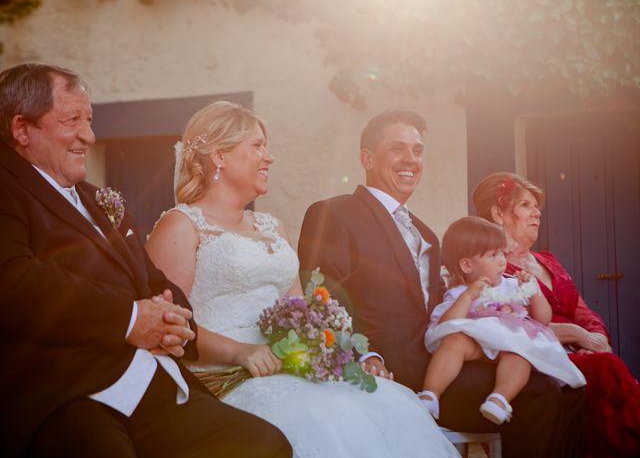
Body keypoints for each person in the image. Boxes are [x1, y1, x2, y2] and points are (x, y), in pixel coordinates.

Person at [0, 63, 291, 458]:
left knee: (264, 445)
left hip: (147, 381)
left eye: (90, 120)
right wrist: (132, 320)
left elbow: (152, 279)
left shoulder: (96, 198)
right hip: (65, 394)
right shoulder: (8, 187)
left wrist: (173, 322)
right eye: (72, 120)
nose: (89, 135)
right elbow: (14, 280)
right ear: (21, 129)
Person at [146, 101, 459, 458]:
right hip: (224, 380)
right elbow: (168, 327)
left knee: (383, 410)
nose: (269, 157)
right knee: (324, 421)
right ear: (219, 156)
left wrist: (331, 351)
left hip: (287, 370)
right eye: (257, 146)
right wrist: (241, 351)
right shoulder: (181, 226)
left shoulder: (271, 227)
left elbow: (299, 310)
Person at [297, 109, 587, 458]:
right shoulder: (335, 213)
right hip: (392, 371)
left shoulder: (426, 234)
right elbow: (321, 298)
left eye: (417, 151)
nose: (411, 160)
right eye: (397, 149)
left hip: (443, 358)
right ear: (367, 158)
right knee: (540, 393)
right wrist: (365, 356)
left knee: (571, 385)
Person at [473, 171, 640, 458]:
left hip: (581, 354)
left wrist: (595, 337)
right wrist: (577, 335)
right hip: (538, 359)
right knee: (607, 369)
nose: (536, 212)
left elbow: (581, 310)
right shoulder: (492, 268)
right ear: (498, 213)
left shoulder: (546, 259)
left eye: (536, 206)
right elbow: (512, 327)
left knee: (604, 364)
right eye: (526, 205)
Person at [420, 216, 586, 424]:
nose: (502, 261)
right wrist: (469, 296)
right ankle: (430, 395)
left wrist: (534, 291)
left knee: (521, 355)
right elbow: (447, 325)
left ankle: (499, 399)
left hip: (509, 346)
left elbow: (543, 319)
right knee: (454, 341)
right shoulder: (460, 292)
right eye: (493, 255)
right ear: (467, 265)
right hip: (476, 346)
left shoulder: (510, 285)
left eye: (501, 252)